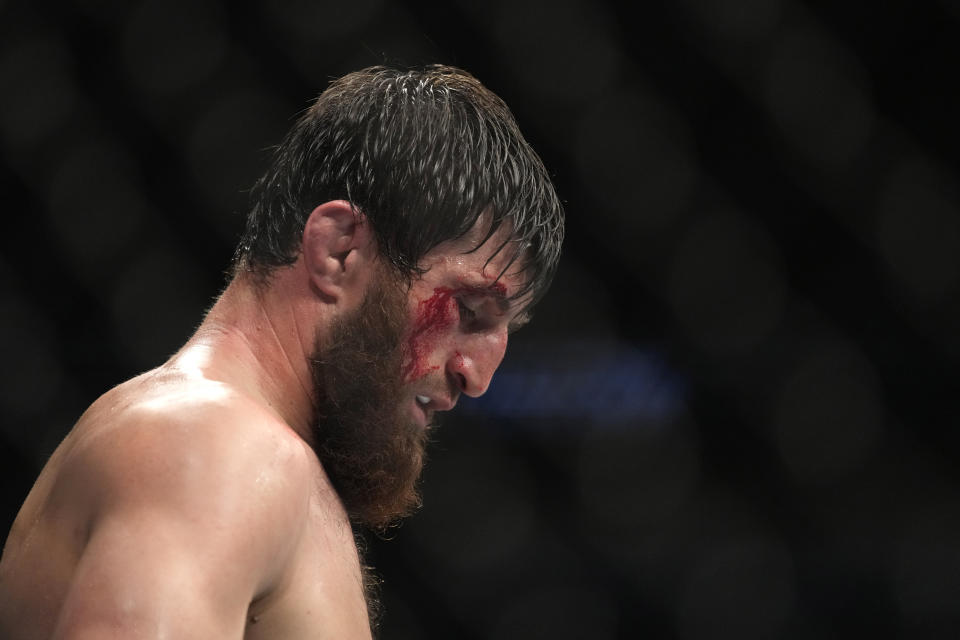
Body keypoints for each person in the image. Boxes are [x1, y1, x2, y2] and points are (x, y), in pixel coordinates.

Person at [0, 65, 564, 639]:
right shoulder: (213, 445)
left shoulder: (249, 456)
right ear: (339, 251)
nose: (479, 377)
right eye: (469, 310)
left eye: (504, 330)